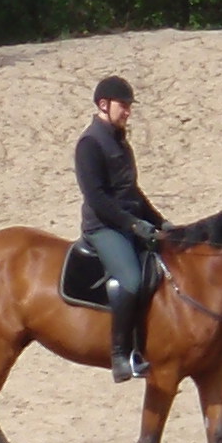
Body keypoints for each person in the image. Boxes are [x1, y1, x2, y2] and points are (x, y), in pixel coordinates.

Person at [74, 75, 166, 383]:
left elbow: (132, 191)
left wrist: (158, 221)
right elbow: (97, 198)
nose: (127, 112)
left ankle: (147, 345)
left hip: (129, 223)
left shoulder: (120, 141)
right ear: (104, 105)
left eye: (128, 106)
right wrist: (132, 224)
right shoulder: (90, 143)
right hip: (103, 227)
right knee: (131, 279)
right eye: (123, 106)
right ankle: (120, 355)